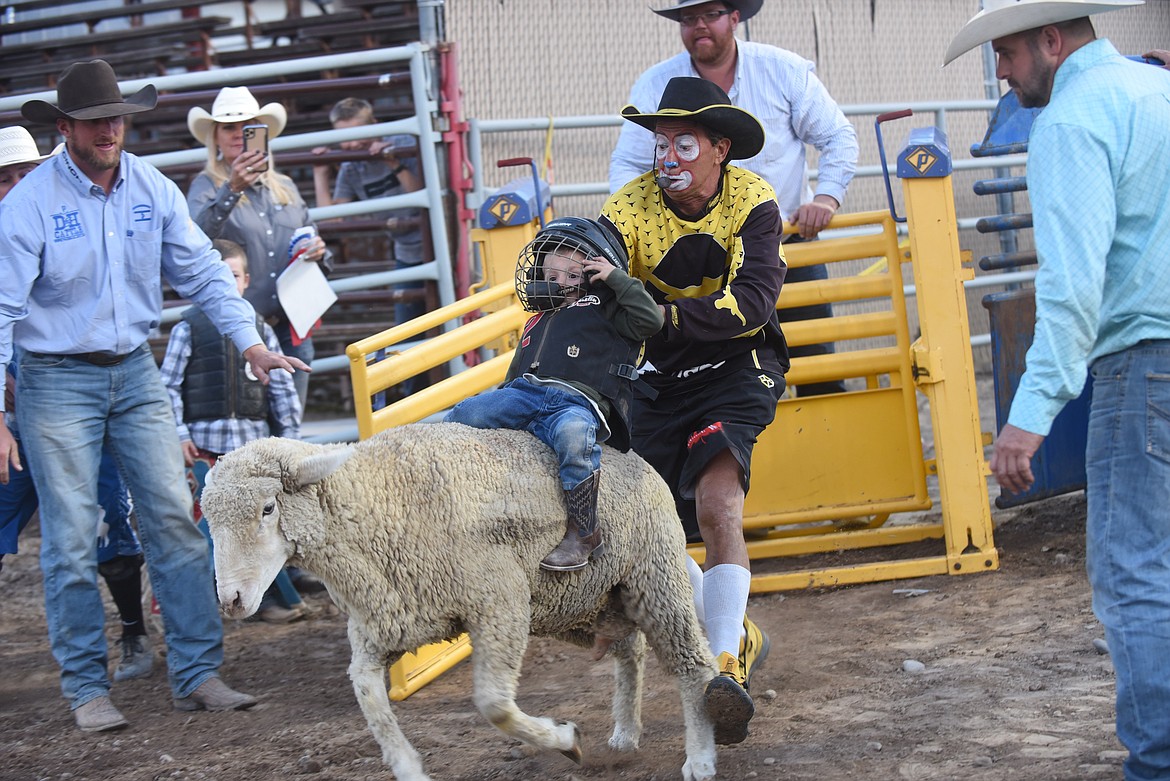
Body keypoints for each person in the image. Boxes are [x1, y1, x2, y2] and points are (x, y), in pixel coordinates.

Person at [0, 59, 308, 733]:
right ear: (65, 128)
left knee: (172, 514)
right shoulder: (27, 206)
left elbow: (201, 272)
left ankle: (196, 671)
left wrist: (250, 341)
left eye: (116, 117)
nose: (109, 129)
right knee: (73, 532)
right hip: (54, 374)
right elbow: (0, 306)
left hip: (132, 367)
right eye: (94, 120)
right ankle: (86, 683)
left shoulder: (150, 188)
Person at [944, 1, 1170, 778]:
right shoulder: (1158, 93)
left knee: (1135, 569)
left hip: (1145, 360)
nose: (1001, 72)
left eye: (1005, 53)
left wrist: (1027, 418)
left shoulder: (1071, 123)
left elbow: (1073, 289)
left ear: (1050, 39)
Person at [599, 76, 788, 746]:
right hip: (656, 381)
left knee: (717, 502)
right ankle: (737, 627)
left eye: (683, 141)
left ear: (720, 148)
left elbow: (753, 304)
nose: (668, 155)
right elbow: (598, 265)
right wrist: (566, 261)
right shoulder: (627, 207)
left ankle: (724, 662)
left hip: (739, 367)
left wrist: (653, 318)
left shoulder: (754, 200)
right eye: (658, 142)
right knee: (647, 527)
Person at [609, 0, 858, 397]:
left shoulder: (782, 70)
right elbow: (628, 162)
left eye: (710, 14)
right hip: (692, 258)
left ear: (735, 18)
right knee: (703, 374)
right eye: (689, 18)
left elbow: (838, 136)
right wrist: (634, 222)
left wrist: (827, 198)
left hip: (783, 244)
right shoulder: (656, 83)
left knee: (816, 366)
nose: (699, 25)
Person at [0, 126, 153, 682]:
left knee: (106, 516)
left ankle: (134, 631)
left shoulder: (61, 219)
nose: (16, 184)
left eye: (23, 174)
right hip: (18, 411)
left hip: (74, 395)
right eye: (5, 177)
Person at [445, 217, 662, 571]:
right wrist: (504, 402)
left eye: (570, 275)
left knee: (573, 435)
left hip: (577, 400)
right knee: (466, 414)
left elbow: (650, 320)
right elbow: (515, 372)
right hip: (526, 392)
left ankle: (584, 531)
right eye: (550, 277)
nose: (558, 284)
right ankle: (458, 503)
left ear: (594, 274)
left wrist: (616, 279)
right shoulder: (538, 318)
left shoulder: (610, 310)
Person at [160, 238, 309, 623]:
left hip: (252, 450)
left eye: (234, 276)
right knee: (207, 531)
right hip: (206, 451)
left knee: (261, 525)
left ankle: (271, 594)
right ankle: (208, 601)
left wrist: (289, 439)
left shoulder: (260, 331)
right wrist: (180, 434)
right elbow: (169, 386)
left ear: (246, 281)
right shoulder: (188, 327)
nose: (227, 283)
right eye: (218, 276)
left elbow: (281, 386)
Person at [187, 86, 333, 409]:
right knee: (248, 426)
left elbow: (312, 235)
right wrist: (231, 190)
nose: (239, 134)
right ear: (216, 137)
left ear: (262, 134)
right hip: (241, 333)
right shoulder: (206, 186)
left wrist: (320, 251)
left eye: (247, 126)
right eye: (229, 127)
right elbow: (193, 241)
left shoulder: (285, 187)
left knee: (291, 423)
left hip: (291, 324)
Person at [312, 97, 426, 328]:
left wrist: (393, 162)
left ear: (374, 124)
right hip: (406, 251)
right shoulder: (351, 167)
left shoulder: (402, 141)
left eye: (357, 134)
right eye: (344, 138)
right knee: (407, 327)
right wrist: (320, 173)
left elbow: (422, 194)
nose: (352, 145)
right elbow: (333, 219)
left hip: (434, 240)